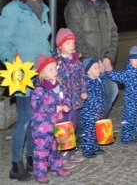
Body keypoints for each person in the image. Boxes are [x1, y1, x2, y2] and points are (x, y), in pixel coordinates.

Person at [0, 0, 51, 181]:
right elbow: (3, 42)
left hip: (41, 72)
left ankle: (32, 158)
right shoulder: (13, 10)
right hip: (21, 73)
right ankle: (15, 165)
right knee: (25, 119)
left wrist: (51, 65)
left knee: (38, 118)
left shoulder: (43, 8)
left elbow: (44, 42)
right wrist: (13, 61)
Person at [64, 0, 119, 119]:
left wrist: (109, 58)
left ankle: (97, 125)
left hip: (104, 61)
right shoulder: (75, 4)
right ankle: (86, 130)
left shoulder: (104, 4)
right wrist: (95, 61)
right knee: (88, 99)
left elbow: (113, 31)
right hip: (85, 62)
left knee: (111, 91)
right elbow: (76, 36)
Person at [31, 55, 71, 183]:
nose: (55, 71)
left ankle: (57, 168)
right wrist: (55, 108)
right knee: (42, 151)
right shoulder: (39, 89)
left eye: (55, 68)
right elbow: (37, 106)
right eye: (51, 69)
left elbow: (66, 97)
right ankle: (40, 173)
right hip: (42, 127)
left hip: (57, 124)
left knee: (56, 148)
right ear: (42, 72)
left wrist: (66, 105)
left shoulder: (58, 85)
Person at [104, 46, 137, 145]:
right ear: (130, 59)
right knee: (129, 119)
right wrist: (109, 71)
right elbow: (117, 76)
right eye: (135, 59)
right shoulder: (128, 73)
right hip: (131, 102)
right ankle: (126, 138)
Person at [54, 28, 87, 168]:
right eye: (68, 43)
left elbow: (82, 77)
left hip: (75, 100)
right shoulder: (57, 63)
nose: (72, 46)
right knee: (64, 128)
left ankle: (71, 151)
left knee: (73, 125)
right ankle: (62, 155)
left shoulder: (76, 62)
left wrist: (84, 90)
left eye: (73, 43)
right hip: (64, 102)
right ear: (60, 45)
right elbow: (55, 82)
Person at [80, 58, 107, 158]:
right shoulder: (87, 83)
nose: (98, 70)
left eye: (98, 67)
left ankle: (95, 147)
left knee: (96, 130)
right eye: (95, 68)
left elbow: (103, 81)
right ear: (88, 71)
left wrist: (103, 71)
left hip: (98, 111)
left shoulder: (98, 80)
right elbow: (89, 99)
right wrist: (96, 107)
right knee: (89, 132)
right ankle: (87, 150)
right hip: (89, 113)